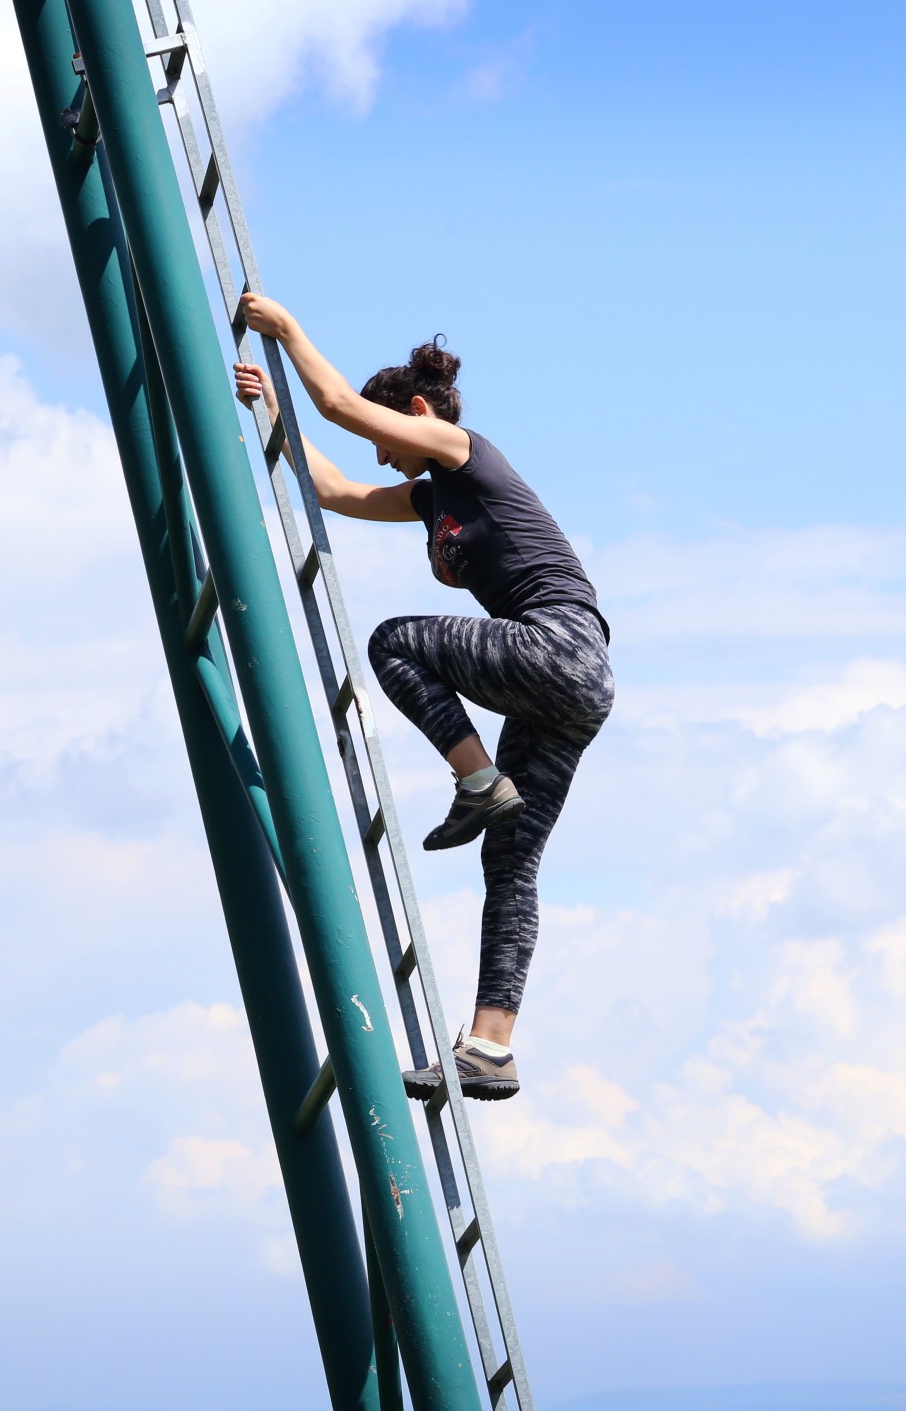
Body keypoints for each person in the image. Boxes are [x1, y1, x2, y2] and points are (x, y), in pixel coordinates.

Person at [233, 293, 613, 1102]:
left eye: (385, 436)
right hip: (564, 687)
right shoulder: (432, 496)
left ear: (412, 414)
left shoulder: (458, 447)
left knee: (394, 642)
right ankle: (491, 1047)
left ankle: (477, 782)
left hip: (559, 646)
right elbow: (334, 490)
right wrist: (269, 410)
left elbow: (338, 409)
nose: (380, 456)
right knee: (509, 859)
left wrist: (289, 333)